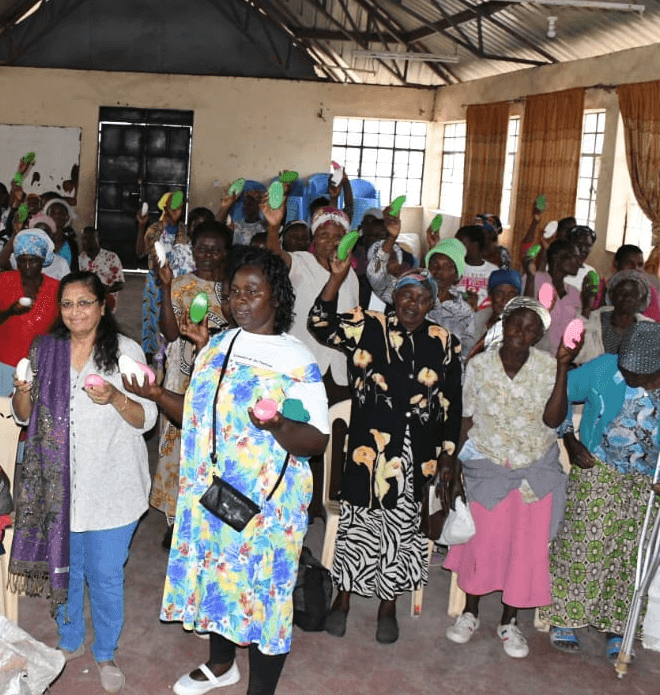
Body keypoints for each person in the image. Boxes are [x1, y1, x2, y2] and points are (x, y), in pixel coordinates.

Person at [151, 249, 328, 695]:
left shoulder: (295, 359)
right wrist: (154, 393)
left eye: (253, 291)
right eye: (234, 293)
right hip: (213, 492)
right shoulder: (218, 345)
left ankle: (260, 690)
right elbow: (195, 413)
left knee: (265, 595)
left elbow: (316, 441)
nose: (240, 301)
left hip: (268, 501)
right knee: (217, 578)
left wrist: (278, 424)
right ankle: (221, 663)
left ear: (278, 296)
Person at [10, 271, 156, 693]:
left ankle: (106, 649)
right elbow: (24, 414)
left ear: (103, 304)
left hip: (113, 485)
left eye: (85, 303)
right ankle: (70, 639)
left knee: (106, 573)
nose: (76, 312)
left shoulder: (124, 351)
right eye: (68, 304)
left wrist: (115, 397)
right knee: (68, 571)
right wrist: (23, 390)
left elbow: (146, 418)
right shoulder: (46, 349)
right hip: (60, 487)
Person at [309, 264, 462, 645]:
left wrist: (447, 455)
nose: (414, 303)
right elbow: (318, 323)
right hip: (369, 449)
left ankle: (387, 605)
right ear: (395, 295)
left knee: (401, 527)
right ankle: (342, 600)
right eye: (408, 294)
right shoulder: (366, 325)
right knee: (359, 522)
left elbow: (451, 403)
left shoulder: (444, 341)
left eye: (423, 297)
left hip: (416, 452)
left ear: (432, 302)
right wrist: (337, 277)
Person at [541, 322, 660, 660]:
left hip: (650, 479)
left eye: (636, 373)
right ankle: (566, 617)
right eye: (625, 368)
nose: (627, 376)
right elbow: (560, 394)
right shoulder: (604, 368)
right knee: (583, 543)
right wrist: (569, 440)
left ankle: (618, 626)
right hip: (600, 467)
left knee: (631, 556)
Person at [443, 298, 574, 658]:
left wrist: (563, 369)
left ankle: (509, 622)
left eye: (532, 329)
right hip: (488, 465)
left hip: (534, 468)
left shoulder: (548, 367)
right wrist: (455, 469)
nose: (522, 332)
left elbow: (553, 420)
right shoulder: (480, 365)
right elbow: (466, 418)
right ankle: (469, 613)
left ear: (539, 335)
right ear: (504, 322)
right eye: (517, 324)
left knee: (523, 549)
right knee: (482, 544)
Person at [149, 221, 231, 543]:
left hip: (219, 380)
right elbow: (170, 334)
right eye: (202, 248)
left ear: (226, 252)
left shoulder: (233, 288)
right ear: (193, 251)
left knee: (213, 446)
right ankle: (176, 517)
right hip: (182, 377)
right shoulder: (182, 284)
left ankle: (207, 514)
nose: (208, 255)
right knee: (178, 445)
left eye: (215, 249)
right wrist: (166, 286)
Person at [266, 205, 359, 402]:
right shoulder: (300, 262)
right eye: (324, 234)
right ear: (313, 238)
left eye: (338, 236)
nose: (331, 241)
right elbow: (274, 256)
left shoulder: (350, 275)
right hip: (302, 365)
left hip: (340, 371)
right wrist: (273, 227)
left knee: (338, 422)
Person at [0, 230, 61, 397]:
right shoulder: (3, 281)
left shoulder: (56, 288)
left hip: (39, 366)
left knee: (31, 415)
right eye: (22, 261)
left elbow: (59, 327)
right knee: (0, 414)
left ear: (43, 261)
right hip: (1, 363)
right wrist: (10, 312)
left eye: (34, 261)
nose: (28, 266)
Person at [139, 197, 194, 361]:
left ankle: (169, 352)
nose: (178, 210)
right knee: (153, 316)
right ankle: (150, 354)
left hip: (177, 280)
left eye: (180, 207)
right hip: (156, 280)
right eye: (173, 206)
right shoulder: (155, 229)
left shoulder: (183, 229)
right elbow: (141, 251)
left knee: (173, 316)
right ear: (165, 207)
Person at [576, 268, 655, 365]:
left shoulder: (650, 330)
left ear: (642, 300)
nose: (627, 297)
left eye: (634, 294)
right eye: (622, 292)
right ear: (611, 295)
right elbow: (575, 356)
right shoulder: (592, 322)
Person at [531, 240, 595, 352]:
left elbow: (578, 329)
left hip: (562, 358)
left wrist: (587, 304)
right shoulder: (536, 280)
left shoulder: (574, 292)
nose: (580, 263)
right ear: (558, 258)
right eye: (575, 257)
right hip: (536, 355)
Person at [466, 268, 523, 360]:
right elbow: (466, 355)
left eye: (511, 295)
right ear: (491, 296)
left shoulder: (528, 325)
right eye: (500, 294)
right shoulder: (477, 321)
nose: (505, 300)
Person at [78, 226, 124, 309]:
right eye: (84, 239)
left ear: (98, 238)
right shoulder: (79, 260)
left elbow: (120, 283)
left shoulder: (111, 257)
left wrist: (106, 289)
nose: (87, 242)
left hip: (107, 304)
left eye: (91, 238)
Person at [455, 225, 497, 306]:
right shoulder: (454, 267)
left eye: (461, 243)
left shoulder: (493, 271)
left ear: (475, 244)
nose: (457, 247)